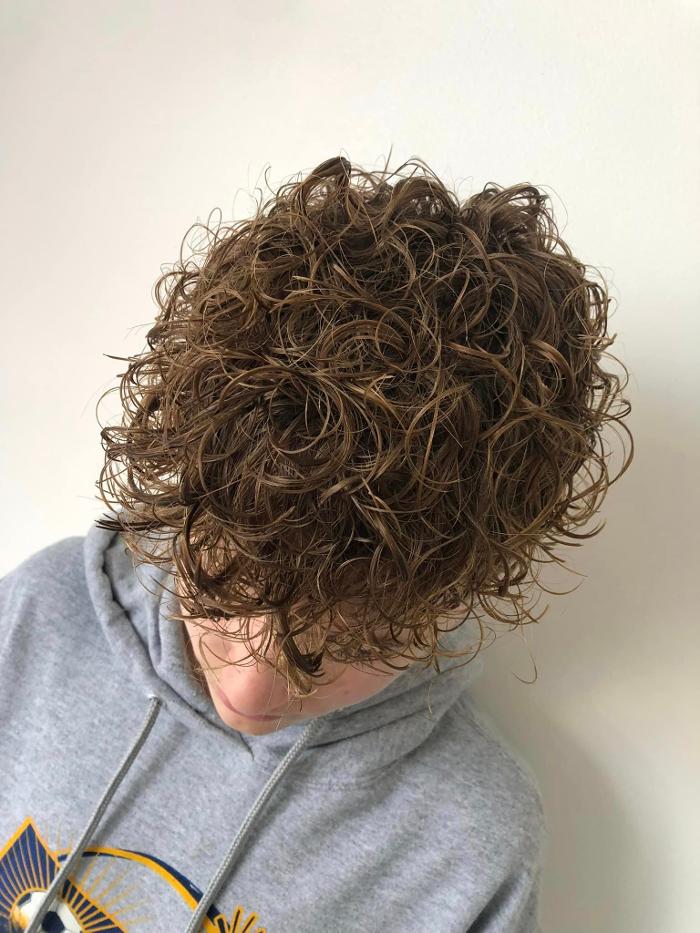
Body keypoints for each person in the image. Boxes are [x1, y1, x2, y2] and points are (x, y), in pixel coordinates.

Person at [0, 154, 634, 932]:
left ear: (447, 599)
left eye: (342, 646)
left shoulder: (462, 845)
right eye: (221, 593)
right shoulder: (40, 616)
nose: (249, 691)